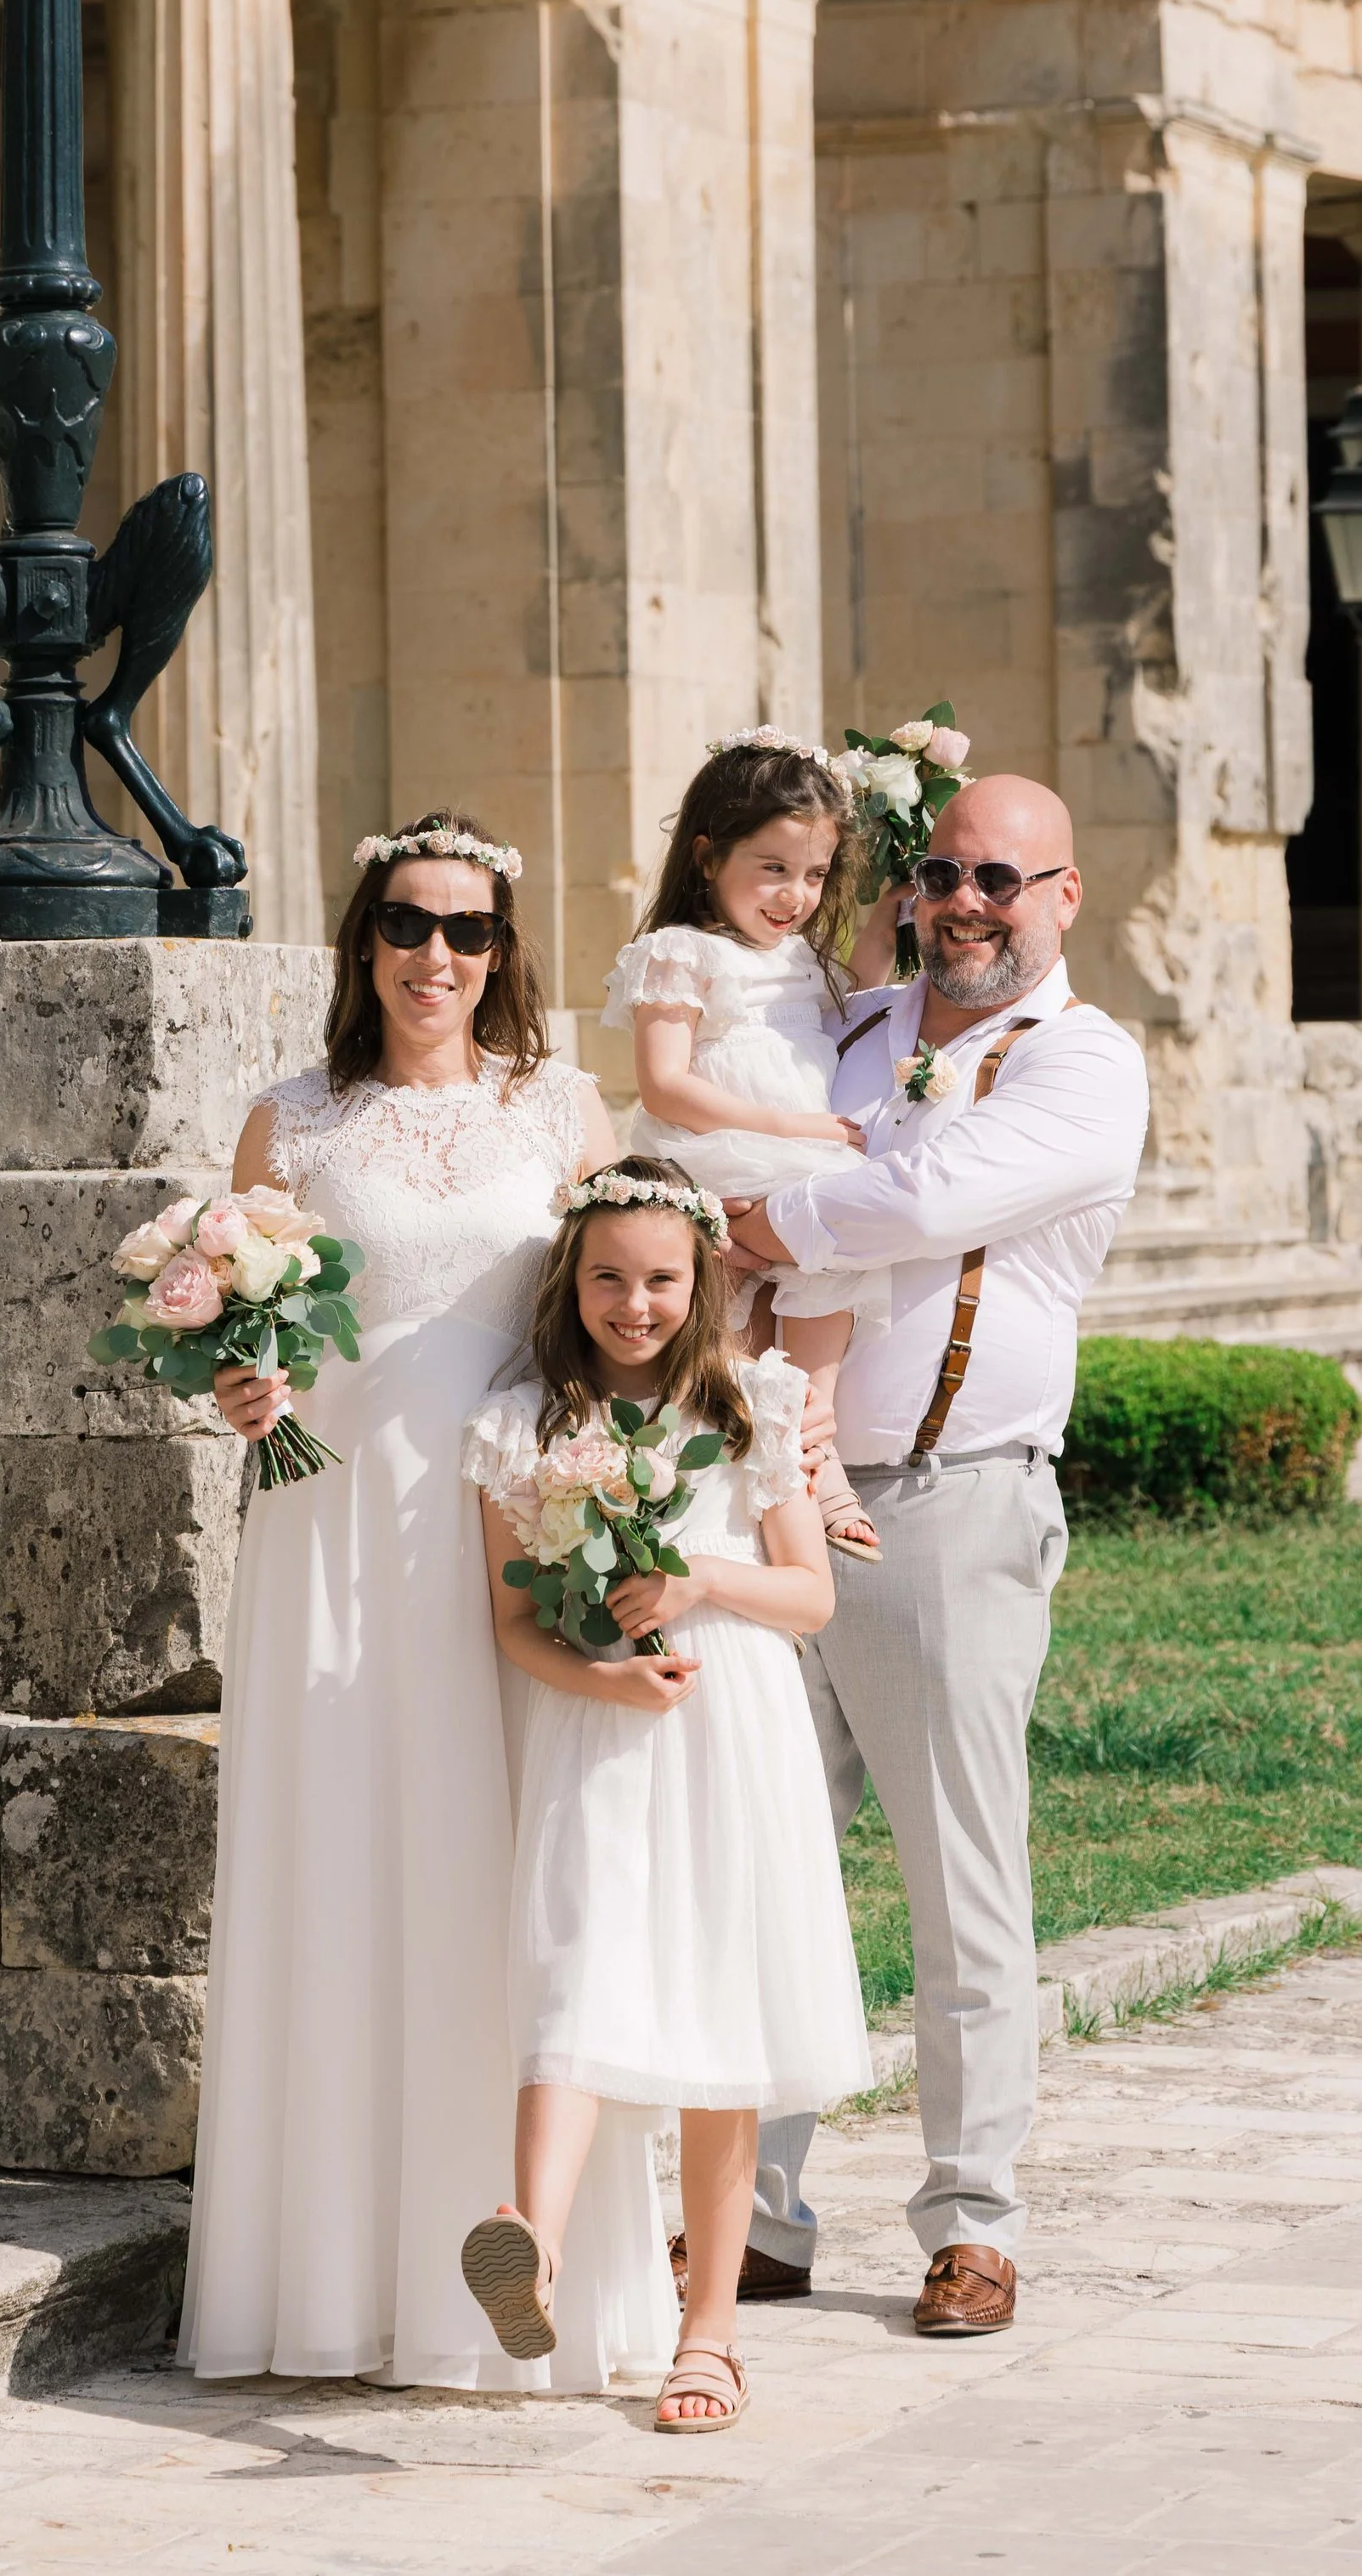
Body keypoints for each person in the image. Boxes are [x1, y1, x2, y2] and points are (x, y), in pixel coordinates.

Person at [178, 811, 638, 2390]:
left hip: (509, 1518)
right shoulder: (289, 1123)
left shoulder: (562, 1108)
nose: (435, 956)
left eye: (468, 930)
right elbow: (260, 1333)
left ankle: (519, 2248)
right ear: (362, 939)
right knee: (346, 1852)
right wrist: (238, 1384)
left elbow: (626, 1312)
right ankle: (332, 2275)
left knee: (516, 1860)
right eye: (406, 924)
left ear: (504, 954)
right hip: (333, 1521)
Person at [726, 774, 1149, 2341]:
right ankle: (751, 2217)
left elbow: (931, 1192)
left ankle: (973, 2219)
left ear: (1062, 896)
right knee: (754, 1857)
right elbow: (719, 1143)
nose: (967, 902)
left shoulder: (1086, 1065)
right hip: (767, 1500)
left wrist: (771, 1223)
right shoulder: (839, 1027)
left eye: (1001, 879)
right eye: (942, 872)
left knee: (960, 1877)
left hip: (951, 1508)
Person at [460, 1158, 871, 2433]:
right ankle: (532, 2234)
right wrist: (599, 1675)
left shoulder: (752, 1401)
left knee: (723, 2015)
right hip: (605, 1726)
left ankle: (711, 2337)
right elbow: (515, 1624)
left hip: (734, 1726)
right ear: (568, 1279)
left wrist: (699, 1574)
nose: (632, 1303)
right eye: (607, 1278)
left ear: (700, 1284)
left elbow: (812, 1597)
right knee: (575, 1971)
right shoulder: (525, 1421)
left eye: (659, 1280)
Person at [602, 725, 889, 1562]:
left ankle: (814, 1445)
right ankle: (700, 1501)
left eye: (813, 873)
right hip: (714, 1156)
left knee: (833, 1261)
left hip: (795, 1162)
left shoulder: (804, 961)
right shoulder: (678, 954)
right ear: (707, 856)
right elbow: (666, 1086)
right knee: (715, 1352)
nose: (794, 894)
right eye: (772, 868)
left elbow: (861, 998)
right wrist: (796, 1128)